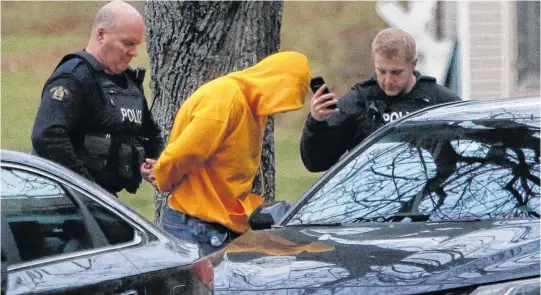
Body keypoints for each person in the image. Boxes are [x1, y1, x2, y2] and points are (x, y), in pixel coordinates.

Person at [150, 51, 311, 255]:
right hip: (195, 227)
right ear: (274, 83)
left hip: (220, 224)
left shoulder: (252, 104)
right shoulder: (226, 100)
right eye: (282, 100)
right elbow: (182, 153)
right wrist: (163, 178)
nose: (279, 110)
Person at [31, 0, 163, 195]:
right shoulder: (74, 77)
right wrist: (89, 190)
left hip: (101, 201)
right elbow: (48, 137)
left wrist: (161, 166)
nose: (134, 53)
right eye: (127, 43)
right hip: (63, 201)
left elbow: (149, 134)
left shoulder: (128, 83)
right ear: (101, 35)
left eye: (136, 45)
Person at [300, 28, 462, 172]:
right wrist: (316, 122)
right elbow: (317, 163)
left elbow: (465, 159)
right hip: (371, 199)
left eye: (396, 72)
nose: (387, 80)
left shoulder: (442, 102)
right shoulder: (358, 102)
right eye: (382, 71)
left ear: (413, 64)